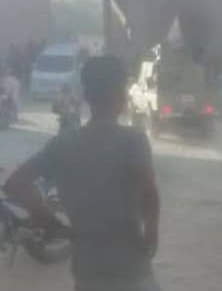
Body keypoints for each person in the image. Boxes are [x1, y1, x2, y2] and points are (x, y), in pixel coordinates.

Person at [2, 56, 161, 291]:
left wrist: (50, 222)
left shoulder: (63, 144)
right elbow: (149, 194)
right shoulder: (133, 140)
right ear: (120, 94)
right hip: (130, 270)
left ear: (87, 96)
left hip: (87, 272)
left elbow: (15, 184)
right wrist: (151, 236)